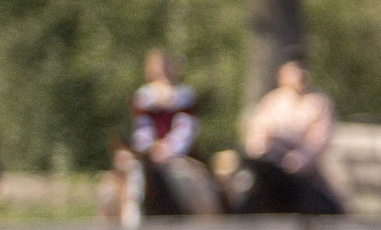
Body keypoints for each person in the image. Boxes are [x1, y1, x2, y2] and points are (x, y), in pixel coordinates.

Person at [240, 55, 347, 214]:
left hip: (305, 169)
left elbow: (317, 140)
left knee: (330, 203)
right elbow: (257, 134)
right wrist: (263, 152)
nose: (299, 75)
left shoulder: (317, 103)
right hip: (271, 164)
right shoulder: (272, 102)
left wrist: (297, 161)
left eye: (302, 71)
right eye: (294, 71)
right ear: (282, 74)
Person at [125, 50, 219, 216]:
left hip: (179, 154)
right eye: (159, 66)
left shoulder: (185, 94)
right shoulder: (144, 95)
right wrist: (150, 147)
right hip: (148, 153)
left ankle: (207, 225)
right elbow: (142, 126)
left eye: (168, 66)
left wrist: (168, 148)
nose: (164, 71)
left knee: (197, 182)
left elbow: (186, 128)